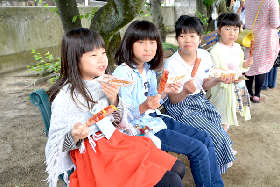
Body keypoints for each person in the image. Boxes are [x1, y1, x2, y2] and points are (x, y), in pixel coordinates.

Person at [45, 28, 186, 187]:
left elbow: (121, 123)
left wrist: (114, 100)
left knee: (179, 169)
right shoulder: (66, 96)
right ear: (74, 59)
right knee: (172, 181)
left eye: (103, 53)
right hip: (97, 156)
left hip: (117, 142)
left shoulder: (104, 82)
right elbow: (55, 145)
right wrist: (75, 136)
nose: (102, 60)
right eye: (93, 55)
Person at [113, 20, 224, 186]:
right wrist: (145, 106)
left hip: (156, 119)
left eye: (152, 42)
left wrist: (165, 91)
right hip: (140, 129)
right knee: (198, 149)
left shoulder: (148, 70)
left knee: (205, 138)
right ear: (129, 44)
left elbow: (155, 99)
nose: (148, 48)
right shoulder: (123, 73)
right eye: (141, 42)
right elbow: (124, 116)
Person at [163, 15, 236, 174]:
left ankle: (222, 149)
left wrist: (218, 79)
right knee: (212, 133)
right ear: (177, 39)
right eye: (182, 35)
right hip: (180, 106)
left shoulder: (203, 55)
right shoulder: (172, 64)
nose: (187, 40)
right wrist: (184, 91)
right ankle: (218, 163)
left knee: (216, 118)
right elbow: (173, 99)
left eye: (192, 35)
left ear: (200, 38)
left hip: (197, 99)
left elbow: (204, 84)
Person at [209, 13, 253, 134]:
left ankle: (223, 140)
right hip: (224, 89)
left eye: (235, 29)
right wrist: (228, 78)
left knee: (228, 115)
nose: (232, 33)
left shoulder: (237, 47)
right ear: (218, 30)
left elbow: (238, 66)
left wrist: (245, 64)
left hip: (236, 87)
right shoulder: (216, 50)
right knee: (223, 116)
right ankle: (223, 145)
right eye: (227, 29)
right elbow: (214, 73)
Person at [244, 0, 280, 103]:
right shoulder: (272, 1)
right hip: (264, 38)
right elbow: (274, 24)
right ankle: (257, 95)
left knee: (249, 64)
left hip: (249, 36)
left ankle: (249, 93)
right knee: (261, 66)